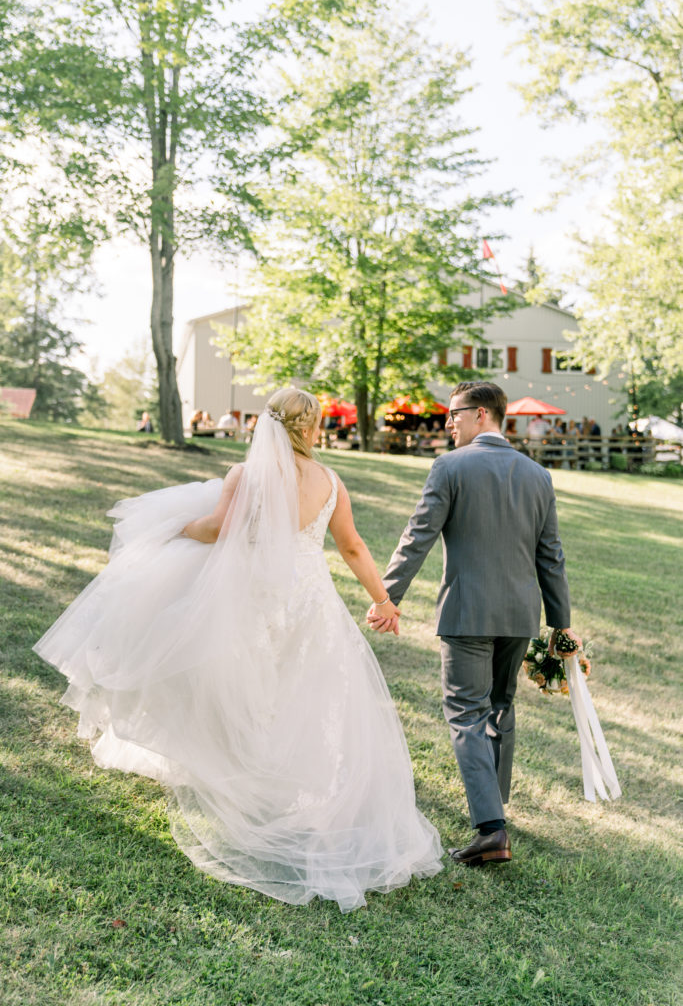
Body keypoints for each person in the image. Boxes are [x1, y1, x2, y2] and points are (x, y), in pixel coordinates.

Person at [33, 387, 442, 912]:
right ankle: (291, 789)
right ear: (311, 427)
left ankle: (246, 781)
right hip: (310, 598)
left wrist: (174, 528)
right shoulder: (330, 481)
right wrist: (383, 600)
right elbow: (353, 546)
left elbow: (217, 529)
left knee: (238, 681)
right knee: (305, 689)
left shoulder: (246, 476)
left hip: (252, 592)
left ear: (265, 424)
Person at [367, 382, 580, 868]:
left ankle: (491, 829)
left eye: (453, 414)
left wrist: (387, 597)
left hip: (467, 614)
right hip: (519, 615)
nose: (447, 423)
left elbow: (419, 533)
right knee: (500, 706)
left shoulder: (449, 467)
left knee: (466, 712)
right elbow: (553, 558)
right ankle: (496, 809)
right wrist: (559, 624)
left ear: (481, 414)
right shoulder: (538, 475)